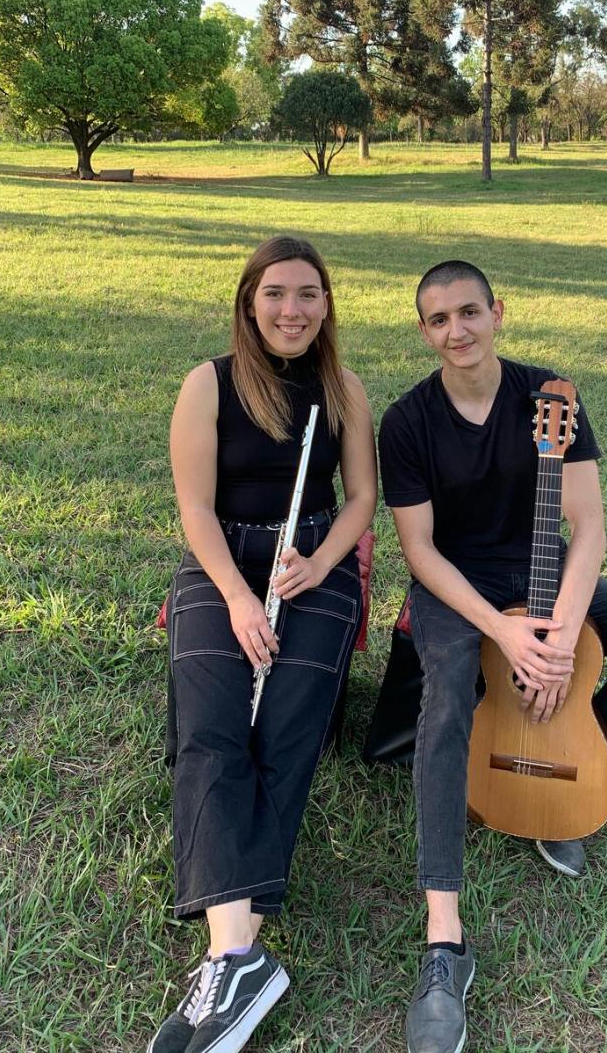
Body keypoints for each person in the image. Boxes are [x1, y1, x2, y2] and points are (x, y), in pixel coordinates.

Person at [377, 260, 607, 1053]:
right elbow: (419, 552)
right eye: (439, 319)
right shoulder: (407, 422)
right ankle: (445, 941)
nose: (458, 331)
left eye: (470, 312)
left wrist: (556, 635)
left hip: (543, 570)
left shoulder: (551, 398)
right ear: (424, 331)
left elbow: (588, 528)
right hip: (456, 586)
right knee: (446, 693)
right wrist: (507, 632)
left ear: (498, 312)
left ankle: (569, 757)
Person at [150, 236, 376, 1053]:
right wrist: (239, 599)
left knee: (282, 729)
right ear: (249, 302)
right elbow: (196, 511)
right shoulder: (205, 384)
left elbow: (362, 501)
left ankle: (232, 967)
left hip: (309, 566)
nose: (292, 310)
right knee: (212, 734)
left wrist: (319, 563)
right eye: (276, 293)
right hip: (223, 567)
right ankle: (237, 957)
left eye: (308, 294)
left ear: (326, 305)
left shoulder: (342, 387)